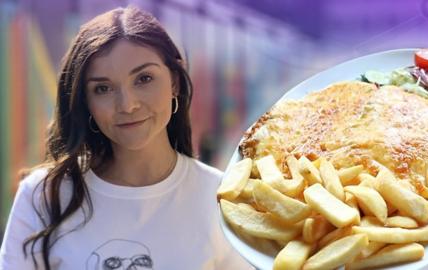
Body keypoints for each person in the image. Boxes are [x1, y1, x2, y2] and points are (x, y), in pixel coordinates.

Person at [0, 6, 252, 270]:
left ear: (175, 82)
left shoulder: (223, 199)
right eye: (103, 88)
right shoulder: (43, 197)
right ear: (86, 101)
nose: (127, 105)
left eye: (144, 78)